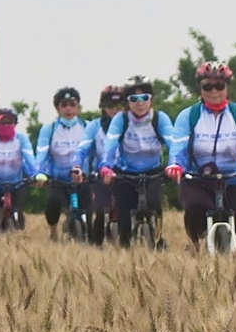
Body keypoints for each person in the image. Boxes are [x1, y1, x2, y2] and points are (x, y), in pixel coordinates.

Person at [170, 61, 236, 253]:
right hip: (197, 179)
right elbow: (179, 144)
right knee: (196, 206)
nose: (214, 91)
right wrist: (175, 164)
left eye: (219, 86)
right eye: (207, 86)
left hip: (233, 178)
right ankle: (195, 245)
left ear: (227, 87)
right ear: (200, 88)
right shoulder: (189, 116)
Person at [96, 75, 179, 248]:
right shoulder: (121, 119)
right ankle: (126, 250)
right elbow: (110, 144)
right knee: (124, 216)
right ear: (128, 102)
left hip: (153, 171)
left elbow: (173, 143)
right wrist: (105, 166)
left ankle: (157, 237)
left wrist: (175, 163)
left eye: (144, 98)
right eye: (134, 99)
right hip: (125, 173)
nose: (140, 103)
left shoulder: (160, 118)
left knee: (154, 203)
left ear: (151, 100)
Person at [35, 86, 89, 240]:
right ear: (58, 109)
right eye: (64, 105)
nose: (69, 109)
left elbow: (96, 151)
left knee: (92, 207)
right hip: (58, 178)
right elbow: (42, 152)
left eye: (72, 105)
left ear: (78, 107)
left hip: (82, 177)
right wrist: (39, 172)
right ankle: (53, 232)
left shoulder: (87, 126)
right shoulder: (49, 129)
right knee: (53, 203)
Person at [76, 84, 126, 245]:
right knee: (98, 209)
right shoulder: (94, 126)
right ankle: (96, 246)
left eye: (119, 106)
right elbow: (82, 149)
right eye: (111, 106)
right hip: (101, 175)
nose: (115, 110)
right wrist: (77, 166)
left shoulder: (131, 124)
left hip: (125, 173)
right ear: (103, 107)